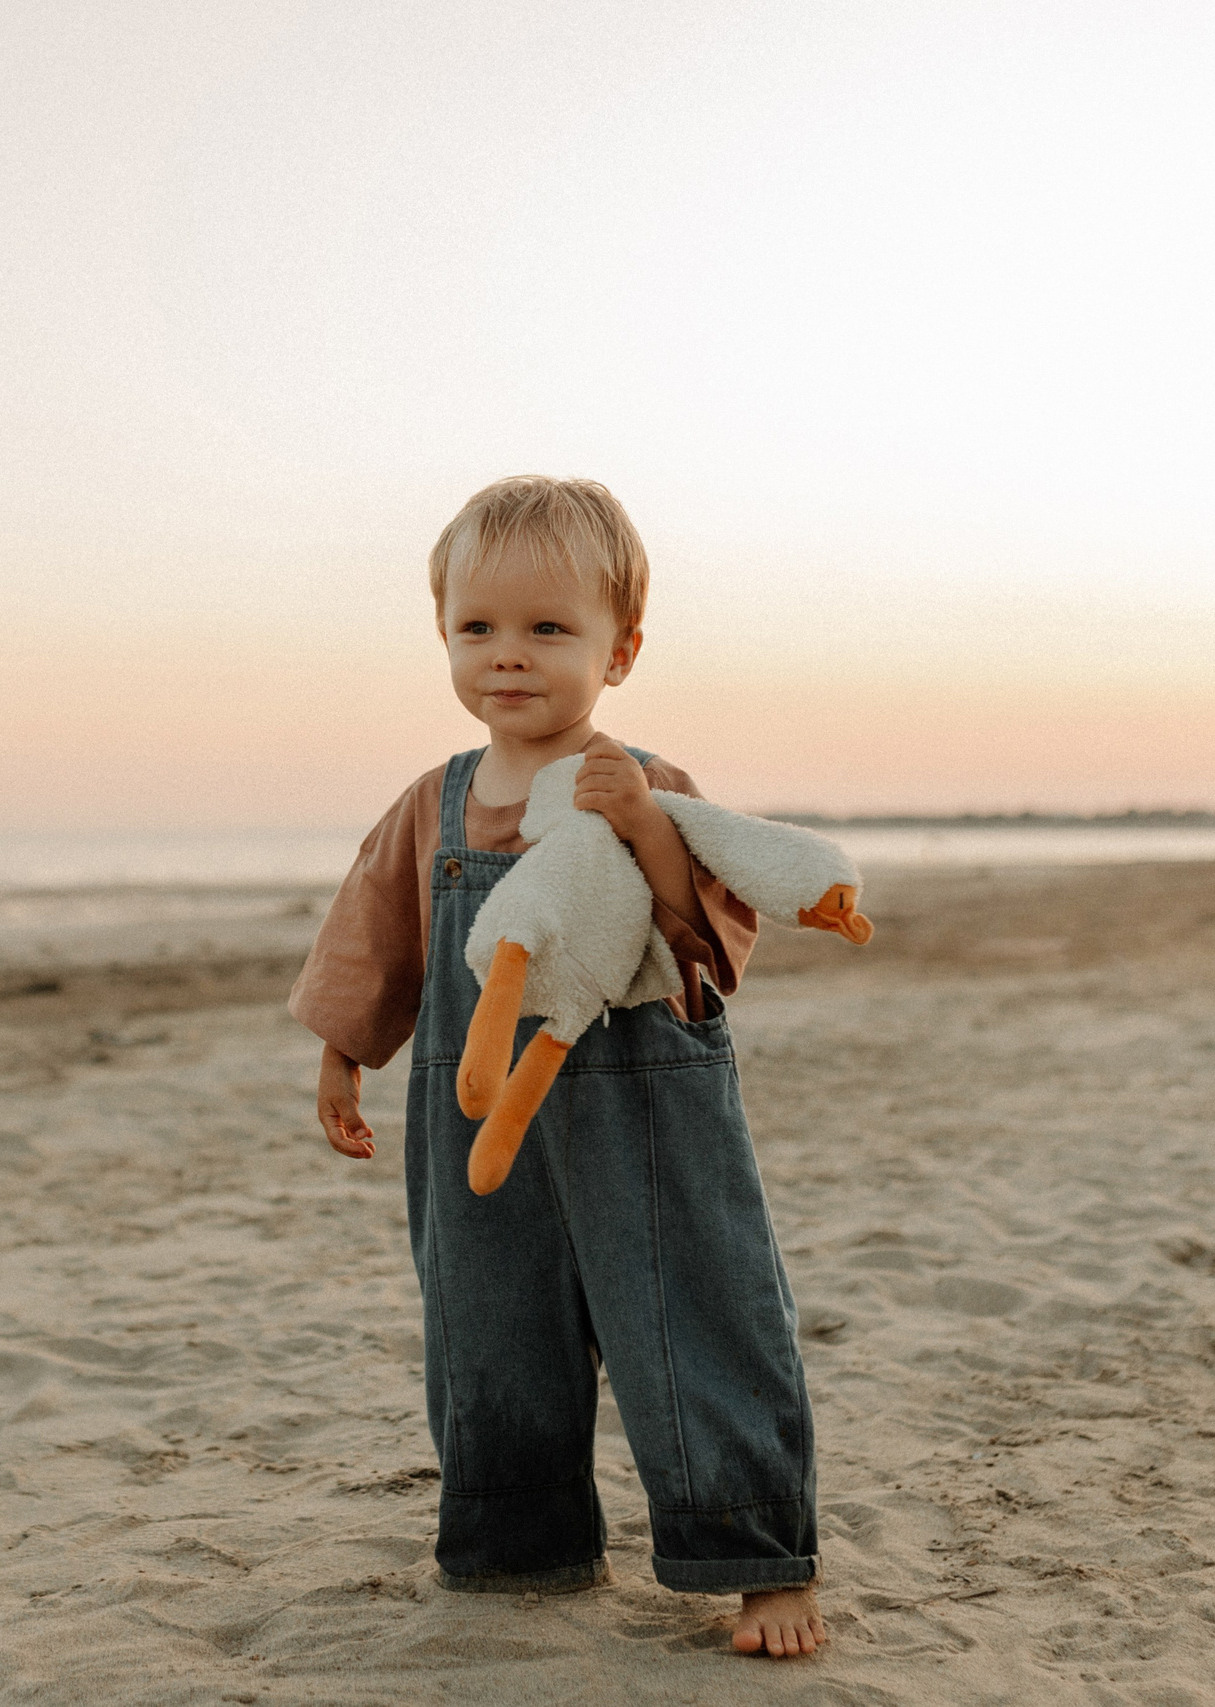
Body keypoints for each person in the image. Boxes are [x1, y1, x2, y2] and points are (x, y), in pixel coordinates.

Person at [288, 475, 826, 1658]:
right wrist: (342, 1053)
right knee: (486, 1319)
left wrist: (640, 826)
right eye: (476, 627)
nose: (508, 655)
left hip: (647, 1100)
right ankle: (517, 1540)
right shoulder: (433, 804)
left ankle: (757, 1560)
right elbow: (375, 936)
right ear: (443, 637)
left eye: (547, 628)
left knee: (696, 1311)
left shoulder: (643, 782)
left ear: (617, 650)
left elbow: (701, 941)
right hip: (478, 1111)